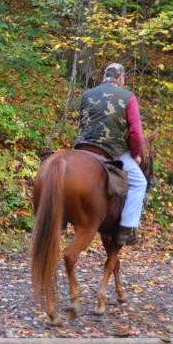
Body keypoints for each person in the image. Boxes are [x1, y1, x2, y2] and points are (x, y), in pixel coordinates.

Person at [73, 62, 147, 245]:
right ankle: (127, 229)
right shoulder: (128, 97)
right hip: (112, 150)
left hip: (83, 147)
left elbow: (81, 122)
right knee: (140, 182)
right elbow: (136, 133)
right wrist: (136, 154)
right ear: (121, 78)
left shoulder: (87, 94)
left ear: (104, 77)